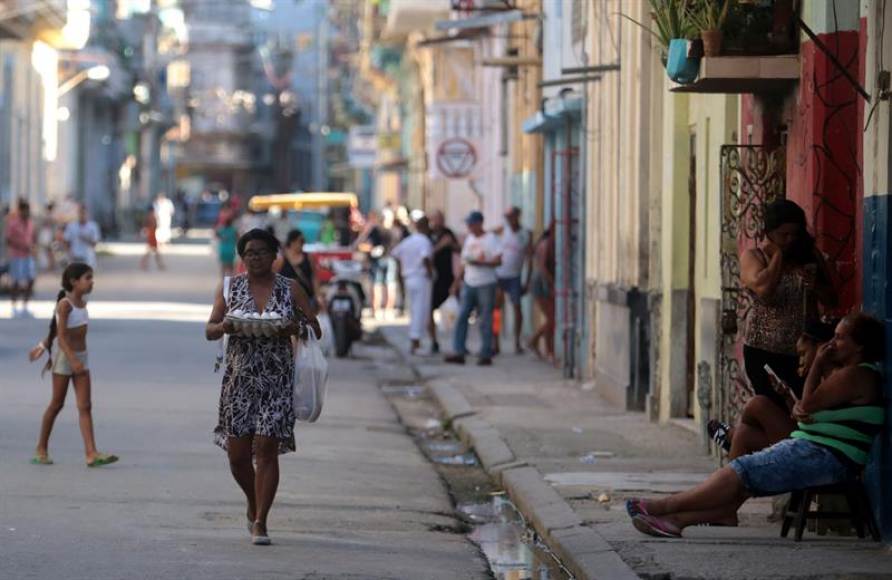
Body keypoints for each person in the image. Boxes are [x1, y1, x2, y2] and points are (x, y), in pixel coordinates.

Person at [627, 313, 885, 538]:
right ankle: (676, 522)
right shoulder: (853, 374)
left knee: (740, 470)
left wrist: (817, 362)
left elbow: (807, 405)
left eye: (840, 338)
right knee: (743, 465)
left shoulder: (855, 375)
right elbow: (808, 409)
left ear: (859, 347)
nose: (832, 343)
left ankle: (662, 508)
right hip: (816, 449)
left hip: (824, 456)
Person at [205, 229, 320, 546]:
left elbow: (315, 328)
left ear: (274, 256)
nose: (255, 258)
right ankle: (253, 501)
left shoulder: (290, 288)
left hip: (277, 382)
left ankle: (261, 521)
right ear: (242, 259)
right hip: (239, 382)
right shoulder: (231, 287)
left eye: (261, 252)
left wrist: (294, 326)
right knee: (238, 456)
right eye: (249, 253)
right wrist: (225, 326)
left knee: (267, 451)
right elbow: (210, 331)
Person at [739, 199, 835, 411]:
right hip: (763, 350)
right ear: (769, 232)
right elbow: (764, 290)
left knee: (801, 409)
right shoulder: (754, 257)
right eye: (783, 235)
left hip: (801, 354)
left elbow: (831, 299)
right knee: (771, 409)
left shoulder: (809, 256)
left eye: (795, 234)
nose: (790, 240)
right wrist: (778, 256)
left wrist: (815, 285)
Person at [27, 263, 119, 468]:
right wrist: (72, 359)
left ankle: (91, 453)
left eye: (91, 278)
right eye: (87, 278)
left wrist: (45, 345)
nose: (91, 282)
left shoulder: (82, 304)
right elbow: (61, 336)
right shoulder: (65, 304)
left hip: (81, 358)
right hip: (65, 359)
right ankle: (41, 448)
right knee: (56, 404)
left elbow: (57, 330)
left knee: (85, 406)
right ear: (73, 281)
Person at [708, 319, 838, 459]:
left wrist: (817, 365)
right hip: (804, 436)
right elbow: (802, 416)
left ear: (820, 347)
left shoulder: (835, 378)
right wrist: (787, 397)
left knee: (757, 404)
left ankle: (731, 438)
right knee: (743, 434)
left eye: (803, 354)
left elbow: (808, 413)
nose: (801, 361)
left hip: (813, 447)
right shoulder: (818, 376)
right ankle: (733, 444)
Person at [445, 211, 502, 366]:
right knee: (462, 316)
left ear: (479, 223)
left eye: (471, 224)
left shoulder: (492, 239)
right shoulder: (469, 239)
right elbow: (464, 263)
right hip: (470, 283)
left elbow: (498, 261)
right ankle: (459, 350)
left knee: (485, 319)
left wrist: (481, 263)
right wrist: (456, 283)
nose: (469, 227)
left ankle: (485, 352)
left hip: (486, 283)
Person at [391, 216, 434, 355]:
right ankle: (416, 341)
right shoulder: (424, 241)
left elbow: (395, 253)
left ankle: (415, 340)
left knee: (414, 309)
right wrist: (430, 272)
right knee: (420, 310)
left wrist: (403, 266)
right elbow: (425, 257)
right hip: (420, 277)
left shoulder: (408, 241)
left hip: (408, 277)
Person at [494, 207, 532, 355]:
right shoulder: (501, 231)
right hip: (498, 275)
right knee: (496, 309)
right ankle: (495, 342)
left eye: (512, 216)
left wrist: (527, 280)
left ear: (518, 216)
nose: (510, 219)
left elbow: (529, 258)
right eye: (508, 217)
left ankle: (517, 341)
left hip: (515, 276)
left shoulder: (525, 234)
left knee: (517, 309)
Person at [428, 210, 460, 354]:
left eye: (441, 219)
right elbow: (427, 255)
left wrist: (451, 244)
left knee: (456, 310)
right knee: (429, 310)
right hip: (432, 278)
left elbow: (459, 249)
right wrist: (440, 245)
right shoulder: (427, 235)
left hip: (447, 278)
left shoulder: (448, 233)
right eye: (437, 219)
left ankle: (457, 342)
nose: (439, 222)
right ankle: (434, 341)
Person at [526, 224, 556, 360]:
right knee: (552, 318)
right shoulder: (545, 244)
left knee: (552, 319)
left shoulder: (548, 243)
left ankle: (548, 349)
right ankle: (535, 341)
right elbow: (543, 267)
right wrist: (552, 283)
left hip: (542, 282)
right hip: (541, 283)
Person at [5, 200, 37, 317]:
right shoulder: (13, 223)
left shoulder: (30, 223)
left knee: (31, 279)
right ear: (21, 211)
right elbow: (8, 240)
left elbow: (33, 237)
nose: (27, 212)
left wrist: (33, 248)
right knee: (16, 282)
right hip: (17, 256)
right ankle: (14, 307)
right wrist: (22, 246)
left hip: (28, 256)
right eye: (25, 210)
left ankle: (25, 306)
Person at [355, 210, 389, 318]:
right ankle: (386, 309)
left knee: (376, 285)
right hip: (388, 258)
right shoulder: (389, 230)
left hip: (377, 260)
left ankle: (376, 310)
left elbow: (368, 245)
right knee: (388, 285)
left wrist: (362, 246)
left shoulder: (374, 230)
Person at [279, 229, 322, 314]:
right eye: (301, 241)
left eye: (304, 241)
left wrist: (318, 296)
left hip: (307, 299)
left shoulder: (308, 257)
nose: (303, 244)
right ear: (292, 242)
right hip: (286, 301)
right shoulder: (281, 260)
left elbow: (314, 277)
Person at [140, 205, 165, 271]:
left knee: (152, 251)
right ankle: (159, 265)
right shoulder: (152, 216)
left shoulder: (149, 216)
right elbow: (155, 225)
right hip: (152, 235)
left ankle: (144, 264)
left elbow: (145, 226)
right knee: (153, 251)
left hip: (151, 235)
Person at [37, 202, 58, 272]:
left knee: (49, 251)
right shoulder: (49, 216)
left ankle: (51, 266)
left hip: (47, 235)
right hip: (47, 235)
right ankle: (50, 266)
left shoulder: (48, 215)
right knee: (49, 251)